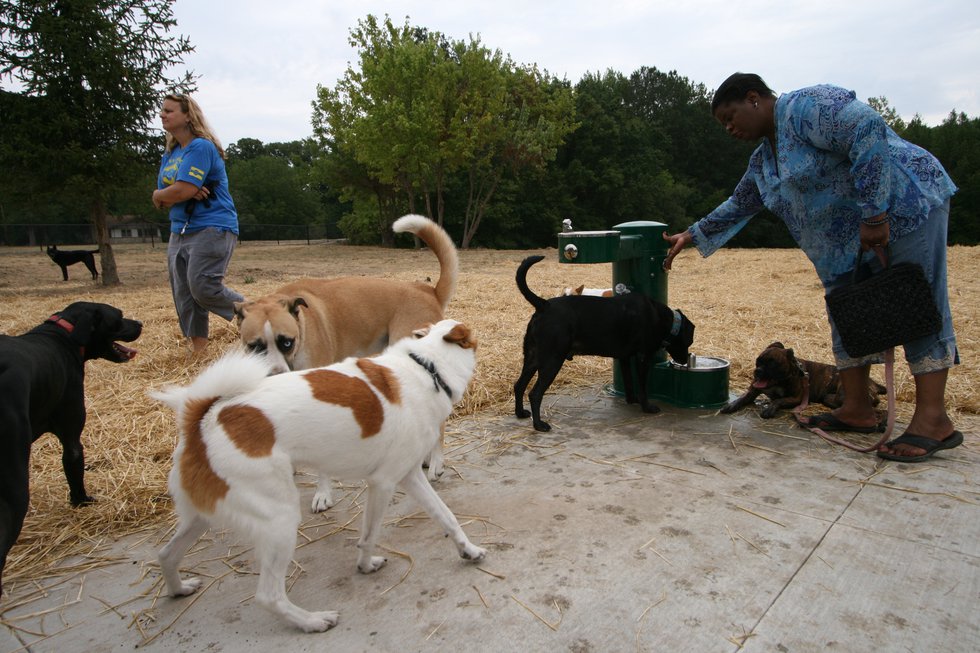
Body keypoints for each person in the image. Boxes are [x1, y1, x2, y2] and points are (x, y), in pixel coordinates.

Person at [662, 73, 961, 463]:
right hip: (849, 244)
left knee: (916, 304)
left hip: (904, 208)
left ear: (753, 98)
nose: (729, 128)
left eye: (730, 117)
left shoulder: (806, 108)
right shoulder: (764, 159)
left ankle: (933, 420)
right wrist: (693, 234)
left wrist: (874, 213)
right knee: (848, 314)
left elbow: (866, 127)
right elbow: (741, 203)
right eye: (723, 124)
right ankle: (857, 409)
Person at [153, 93, 244, 355]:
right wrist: (165, 195)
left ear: (187, 116)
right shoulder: (171, 153)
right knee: (184, 293)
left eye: (169, 111)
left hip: (212, 226)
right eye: (162, 111)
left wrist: (176, 192)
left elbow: (179, 191)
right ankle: (198, 352)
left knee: (203, 287)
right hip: (179, 229)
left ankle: (259, 313)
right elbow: (165, 196)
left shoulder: (201, 147)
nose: (163, 115)